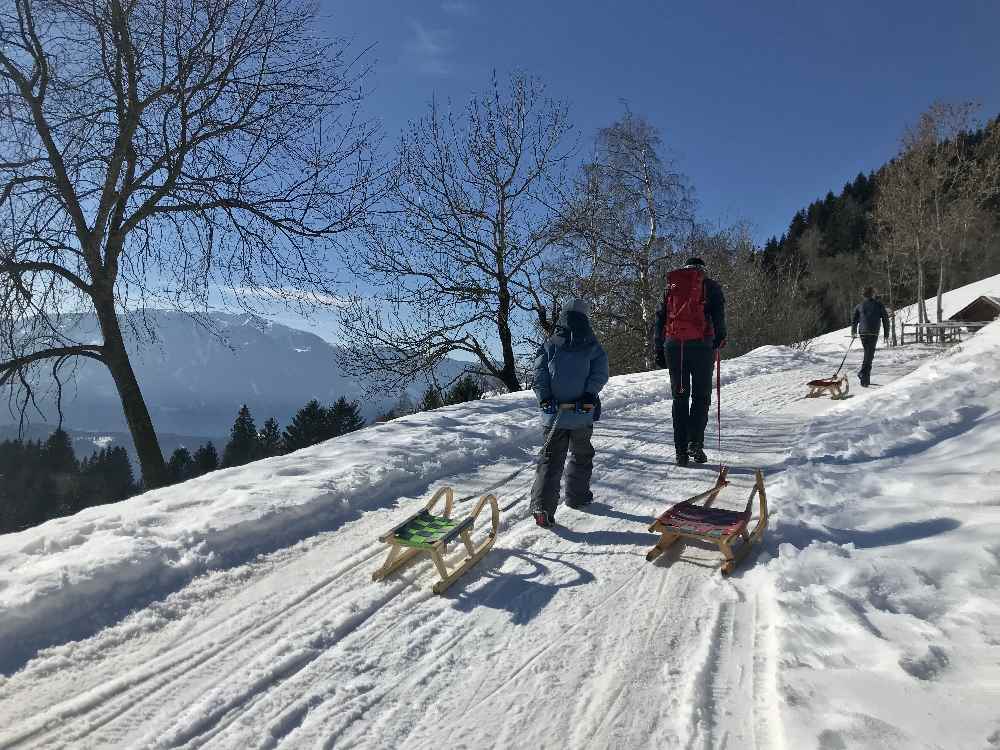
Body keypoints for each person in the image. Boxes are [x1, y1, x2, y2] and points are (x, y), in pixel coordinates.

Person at [530, 297, 609, 528]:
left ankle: (542, 507)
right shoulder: (592, 345)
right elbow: (600, 373)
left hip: (553, 416)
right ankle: (577, 496)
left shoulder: (550, 344)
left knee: (551, 459)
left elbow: (539, 375)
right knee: (581, 456)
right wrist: (589, 394)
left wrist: (545, 398)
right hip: (581, 414)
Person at [653, 257, 726, 467]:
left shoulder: (671, 288)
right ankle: (696, 443)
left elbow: (660, 319)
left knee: (680, 397)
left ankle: (680, 452)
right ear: (702, 270)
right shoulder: (710, 286)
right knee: (701, 397)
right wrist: (720, 337)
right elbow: (719, 315)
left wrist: (659, 348)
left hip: (675, 347)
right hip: (702, 346)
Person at [851, 286, 890, 387]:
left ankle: (865, 379)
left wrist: (853, 331)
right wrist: (886, 333)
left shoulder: (859, 306)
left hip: (863, 333)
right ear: (872, 294)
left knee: (868, 354)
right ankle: (863, 375)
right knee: (869, 355)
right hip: (872, 333)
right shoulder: (879, 305)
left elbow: (854, 320)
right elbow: (885, 319)